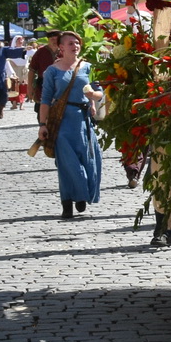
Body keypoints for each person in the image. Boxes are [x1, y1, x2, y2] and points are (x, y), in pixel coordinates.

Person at [39, 30, 104, 220]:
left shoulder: (88, 67)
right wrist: (43, 124)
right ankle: (67, 202)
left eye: (77, 43)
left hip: (83, 121)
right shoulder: (52, 71)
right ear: (61, 47)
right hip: (61, 122)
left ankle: (81, 193)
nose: (75, 46)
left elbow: (100, 92)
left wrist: (93, 96)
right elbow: (45, 100)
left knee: (90, 161)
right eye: (70, 43)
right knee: (67, 165)